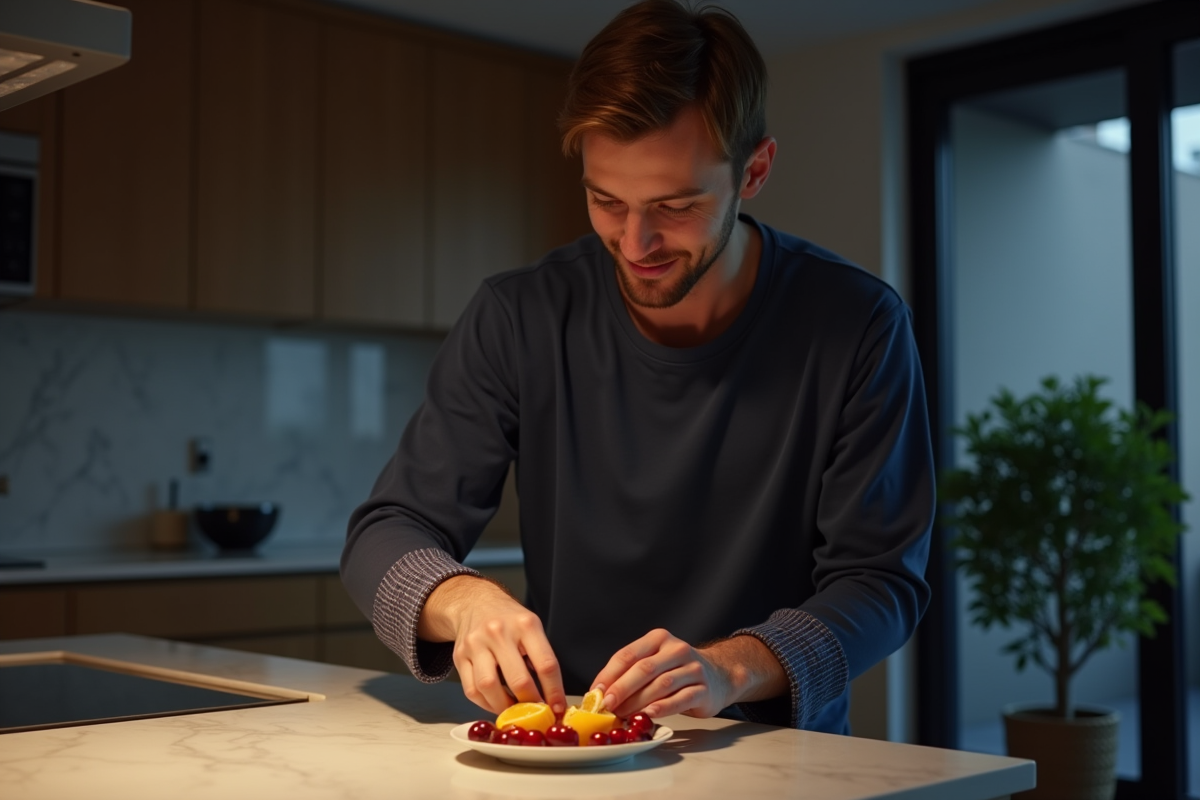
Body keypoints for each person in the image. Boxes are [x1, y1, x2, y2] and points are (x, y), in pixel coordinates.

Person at [341, 0, 933, 734]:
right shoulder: (518, 315)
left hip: (773, 755)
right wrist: (463, 602)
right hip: (571, 747)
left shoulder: (860, 325)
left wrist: (730, 666)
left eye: (676, 205)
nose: (635, 241)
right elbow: (386, 532)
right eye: (605, 200)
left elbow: (879, 584)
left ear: (755, 171)